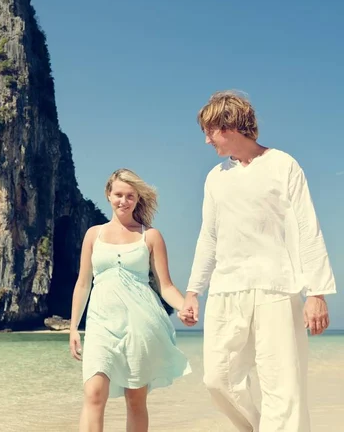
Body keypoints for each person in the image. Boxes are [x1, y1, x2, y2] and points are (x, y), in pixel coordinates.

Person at [180, 90, 337, 432]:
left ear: (231, 125)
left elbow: (308, 227)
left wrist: (317, 292)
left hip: (277, 289)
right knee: (218, 380)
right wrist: (194, 290)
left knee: (283, 389)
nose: (207, 140)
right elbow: (208, 237)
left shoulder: (283, 165)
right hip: (226, 289)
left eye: (210, 131)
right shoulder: (215, 178)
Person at [69, 168, 192, 432]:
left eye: (130, 196)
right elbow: (83, 283)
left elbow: (165, 285)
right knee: (93, 394)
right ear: (108, 195)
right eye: (118, 195)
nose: (123, 201)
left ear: (137, 199)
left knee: (135, 401)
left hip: (140, 326)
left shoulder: (150, 236)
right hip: (101, 324)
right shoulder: (94, 234)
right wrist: (73, 328)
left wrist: (185, 306)